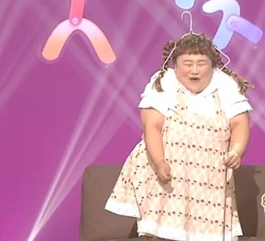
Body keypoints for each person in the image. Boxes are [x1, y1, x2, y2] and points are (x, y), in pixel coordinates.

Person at [105, 32, 253, 241]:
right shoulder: (164, 83)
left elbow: (239, 124)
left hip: (209, 181)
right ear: (176, 65)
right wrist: (159, 162)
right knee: (164, 232)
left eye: (201, 63)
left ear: (212, 66)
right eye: (187, 64)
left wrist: (236, 152)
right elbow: (152, 126)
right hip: (169, 176)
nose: (194, 70)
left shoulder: (225, 86)